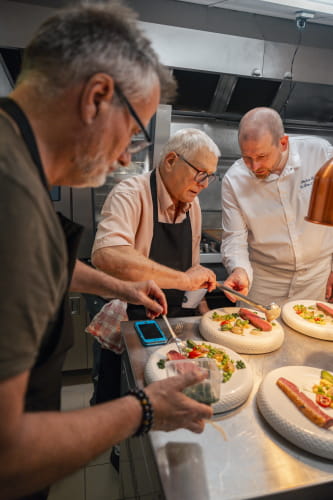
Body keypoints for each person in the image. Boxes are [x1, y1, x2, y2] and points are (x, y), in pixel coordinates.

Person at [0, 3, 213, 499]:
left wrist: (120, 285)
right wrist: (144, 409)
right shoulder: (14, 196)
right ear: (97, 96)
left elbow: (47, 263)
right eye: (134, 133)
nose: (125, 155)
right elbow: (7, 455)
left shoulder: (14, 158)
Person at [91, 128, 220, 405]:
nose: (205, 183)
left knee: (171, 399)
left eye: (210, 176)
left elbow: (192, 268)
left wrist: (204, 312)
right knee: (116, 398)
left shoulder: (192, 205)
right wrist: (182, 280)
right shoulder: (130, 193)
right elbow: (107, 254)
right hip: (130, 319)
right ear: (171, 160)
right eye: (201, 173)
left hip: (176, 322)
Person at [221, 106, 333, 308]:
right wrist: (239, 270)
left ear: (283, 143)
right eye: (247, 157)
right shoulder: (233, 179)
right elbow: (234, 237)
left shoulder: (321, 153)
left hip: (317, 279)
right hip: (264, 282)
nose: (254, 167)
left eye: (261, 157)